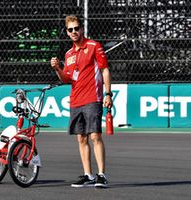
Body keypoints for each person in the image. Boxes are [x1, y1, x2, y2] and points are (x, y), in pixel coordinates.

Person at [50, 15, 113, 188]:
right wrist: (57, 69)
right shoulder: (68, 54)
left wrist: (108, 94)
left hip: (93, 97)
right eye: (70, 30)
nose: (74, 32)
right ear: (67, 32)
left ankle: (101, 175)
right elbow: (66, 79)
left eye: (76, 28)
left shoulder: (94, 46)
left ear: (82, 29)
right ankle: (88, 175)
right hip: (76, 100)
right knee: (81, 139)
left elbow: (105, 70)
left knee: (95, 136)